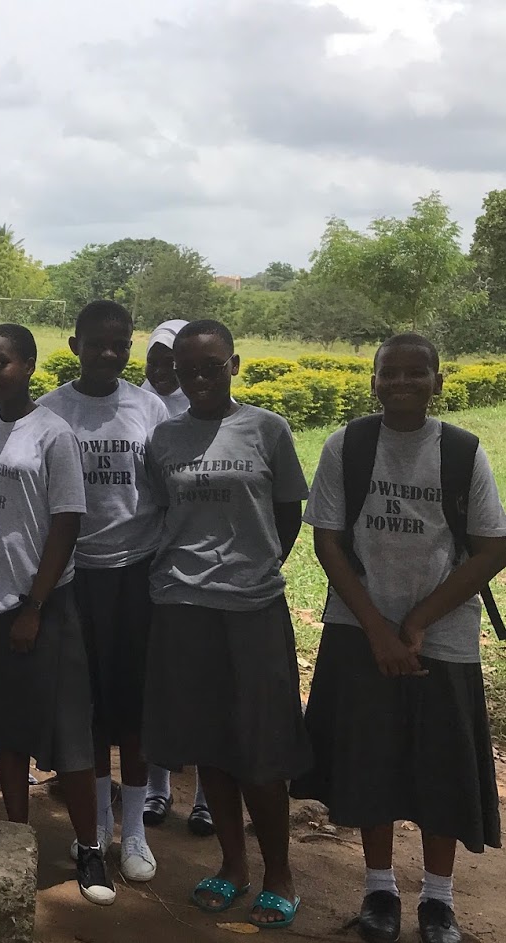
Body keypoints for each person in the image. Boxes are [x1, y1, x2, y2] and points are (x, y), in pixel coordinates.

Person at [292, 333, 506, 943]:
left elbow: (493, 545)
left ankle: (438, 899)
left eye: (418, 373)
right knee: (371, 763)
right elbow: (327, 540)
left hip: (442, 638)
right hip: (360, 628)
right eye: (391, 373)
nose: (403, 383)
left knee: (443, 769)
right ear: (374, 380)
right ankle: (379, 887)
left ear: (440, 381)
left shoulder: (463, 452)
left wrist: (415, 623)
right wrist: (379, 629)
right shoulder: (349, 445)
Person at [143, 319, 311, 929]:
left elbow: (287, 515)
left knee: (261, 751)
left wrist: (251, 568)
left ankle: (280, 873)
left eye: (211, 368)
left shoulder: (268, 430)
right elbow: (162, 512)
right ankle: (232, 865)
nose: (199, 381)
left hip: (252, 611)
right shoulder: (163, 438)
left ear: (234, 365)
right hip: (183, 608)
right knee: (210, 743)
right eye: (187, 372)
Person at [0, 322, 115, 906]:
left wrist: (35, 605)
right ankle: (13, 839)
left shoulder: (54, 434)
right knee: (5, 732)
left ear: (28, 365)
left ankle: (89, 847)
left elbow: (66, 523)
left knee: (69, 737)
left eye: (0, 363)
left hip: (45, 608)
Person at [38, 300, 167, 883]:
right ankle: (96, 829)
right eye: (97, 343)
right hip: (74, 574)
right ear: (75, 346)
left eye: (121, 344)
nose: (110, 354)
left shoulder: (149, 407)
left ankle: (136, 830)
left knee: (133, 706)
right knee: (84, 707)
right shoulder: (52, 411)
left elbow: (164, 489)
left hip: (136, 572)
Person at [141, 318, 213, 836]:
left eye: (175, 363)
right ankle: (157, 788)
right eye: (156, 360)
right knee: (158, 682)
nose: (164, 371)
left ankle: (208, 795)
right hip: (155, 565)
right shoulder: (141, 411)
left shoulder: (206, 414)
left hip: (208, 574)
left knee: (206, 688)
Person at [140, 318, 191, 417]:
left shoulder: (216, 414)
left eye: (170, 363)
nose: (159, 372)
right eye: (152, 363)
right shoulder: (137, 407)